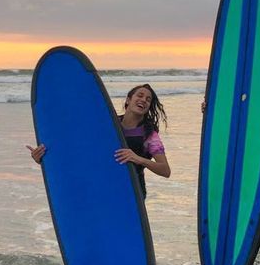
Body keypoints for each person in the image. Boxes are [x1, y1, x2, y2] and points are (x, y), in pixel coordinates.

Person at [28, 83, 171, 196]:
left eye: (148, 99)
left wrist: (137, 158)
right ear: (128, 99)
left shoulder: (149, 135)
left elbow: (165, 170)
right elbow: (77, 151)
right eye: (140, 95)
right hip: (100, 189)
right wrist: (43, 159)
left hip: (131, 195)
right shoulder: (107, 125)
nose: (144, 100)